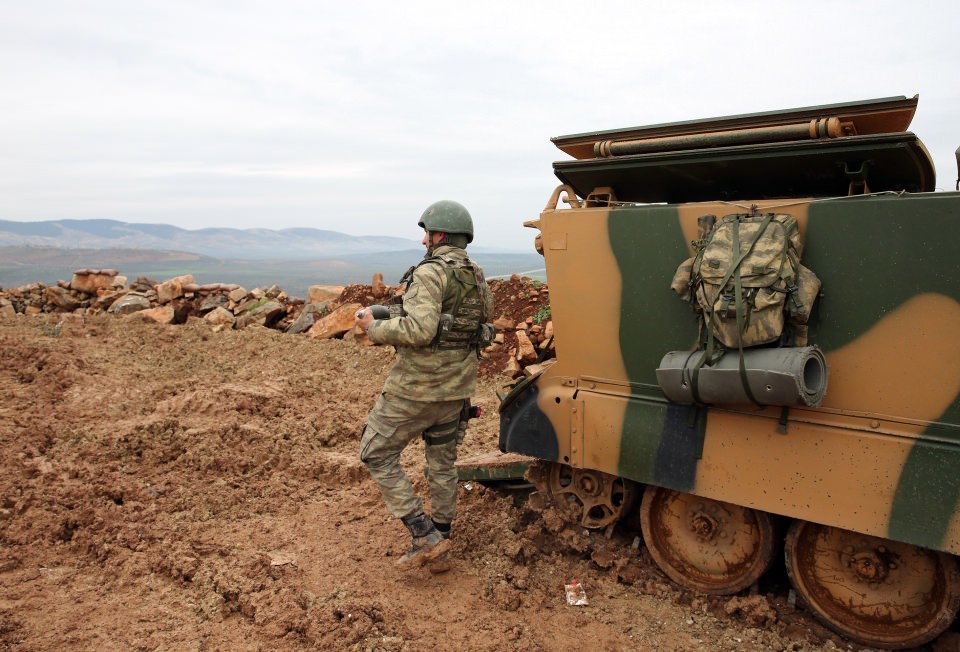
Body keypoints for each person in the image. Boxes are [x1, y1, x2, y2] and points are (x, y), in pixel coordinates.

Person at [356, 200, 494, 569]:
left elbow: (420, 330)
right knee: (442, 464)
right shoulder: (476, 273)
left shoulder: (431, 272)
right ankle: (442, 540)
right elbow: (473, 327)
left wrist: (374, 327)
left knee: (376, 453)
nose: (423, 242)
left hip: (415, 391)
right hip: (458, 390)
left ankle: (423, 534)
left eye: (427, 234)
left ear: (440, 235)